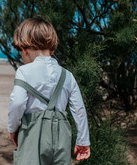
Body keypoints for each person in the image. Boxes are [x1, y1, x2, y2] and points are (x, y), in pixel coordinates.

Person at [8, 17, 91, 165]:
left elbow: (17, 103)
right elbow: (79, 109)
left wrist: (13, 128)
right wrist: (83, 140)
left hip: (32, 135)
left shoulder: (24, 72)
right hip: (61, 137)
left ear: (24, 49)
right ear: (52, 50)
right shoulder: (67, 75)